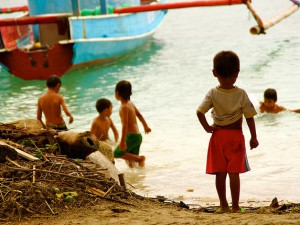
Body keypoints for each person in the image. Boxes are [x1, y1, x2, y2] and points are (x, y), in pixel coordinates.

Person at [196, 51, 259, 213]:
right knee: (234, 173)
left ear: (214, 73)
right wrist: (254, 137)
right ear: (236, 73)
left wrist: (207, 128)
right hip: (236, 138)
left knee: (220, 173)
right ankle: (236, 207)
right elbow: (249, 117)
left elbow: (199, 112)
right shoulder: (241, 94)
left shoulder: (212, 93)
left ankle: (223, 206)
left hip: (218, 137)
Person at [113, 80, 151, 168]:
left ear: (117, 94)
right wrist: (146, 126)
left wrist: (122, 141)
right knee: (131, 162)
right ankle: (138, 178)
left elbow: (124, 125)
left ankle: (140, 159)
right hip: (138, 136)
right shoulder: (130, 103)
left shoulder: (123, 107)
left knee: (116, 153)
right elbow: (139, 115)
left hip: (131, 137)